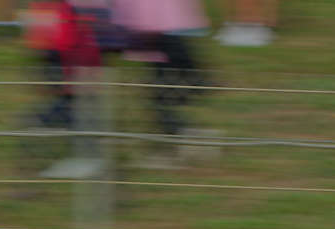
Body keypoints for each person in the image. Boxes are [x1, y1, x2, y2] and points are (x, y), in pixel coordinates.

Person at [112, 0, 212, 164]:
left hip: (157, 30)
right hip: (158, 30)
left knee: (161, 91)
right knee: (162, 89)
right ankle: (177, 129)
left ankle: (178, 131)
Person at [20, 1, 103, 179]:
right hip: (77, 75)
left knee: (40, 122)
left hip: (75, 76)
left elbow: (64, 41)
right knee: (76, 117)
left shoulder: (65, 11)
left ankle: (86, 161)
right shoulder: (63, 10)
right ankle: (86, 160)